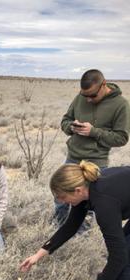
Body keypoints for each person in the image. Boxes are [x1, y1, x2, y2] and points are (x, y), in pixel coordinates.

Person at [20, 161, 130, 280]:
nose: (61, 202)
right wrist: (39, 254)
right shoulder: (87, 190)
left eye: (62, 197)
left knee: (122, 258)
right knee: (124, 253)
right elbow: (70, 226)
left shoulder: (103, 203)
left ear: (77, 190)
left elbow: (118, 258)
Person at [54, 69, 130, 226]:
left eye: (92, 96)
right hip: (72, 157)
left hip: (95, 162)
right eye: (84, 95)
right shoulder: (80, 98)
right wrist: (72, 128)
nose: (88, 99)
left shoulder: (121, 105)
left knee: (88, 204)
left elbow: (121, 138)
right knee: (61, 196)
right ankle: (57, 226)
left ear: (103, 85)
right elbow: (65, 121)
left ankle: (81, 237)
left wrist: (93, 132)